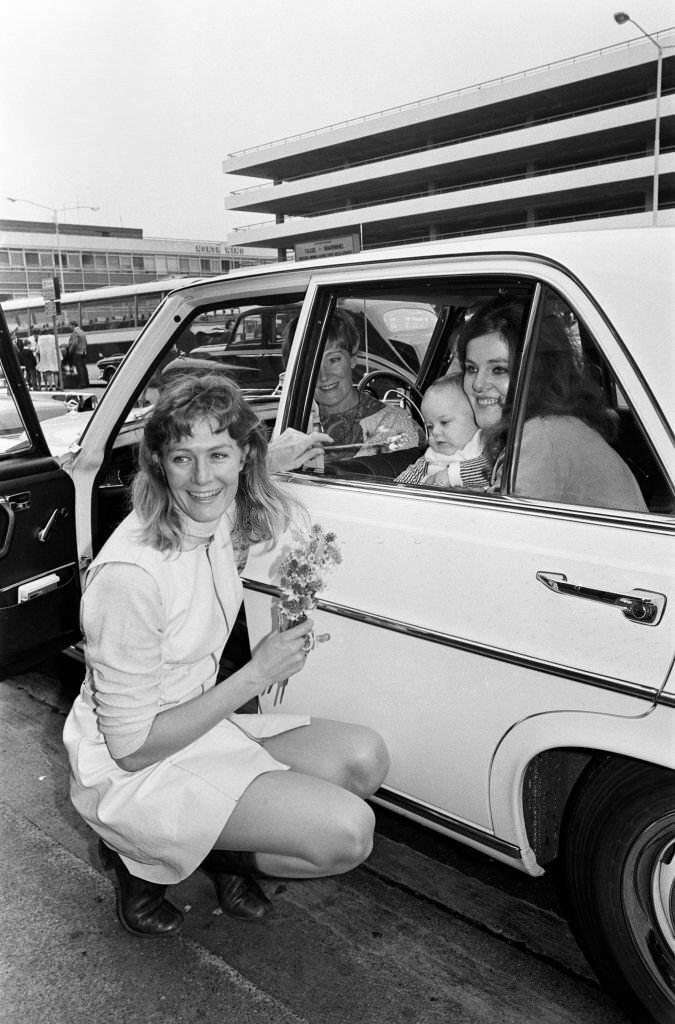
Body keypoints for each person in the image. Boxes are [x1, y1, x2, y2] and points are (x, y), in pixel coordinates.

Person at [62, 371, 389, 938]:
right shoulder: (130, 577)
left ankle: (206, 841)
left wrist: (287, 450)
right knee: (348, 834)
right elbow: (132, 750)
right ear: (158, 463)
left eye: (219, 453)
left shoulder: (213, 511)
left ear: (243, 457)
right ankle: (139, 855)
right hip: (133, 764)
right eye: (183, 457)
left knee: (365, 757)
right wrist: (256, 675)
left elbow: (249, 471)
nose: (203, 476)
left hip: (199, 722)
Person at [456, 298, 647, 512]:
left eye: (499, 370)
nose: (478, 384)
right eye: (471, 369)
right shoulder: (553, 426)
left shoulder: (543, 437)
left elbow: (502, 529)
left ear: (539, 373)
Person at [313, 310, 421, 466]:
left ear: (353, 358)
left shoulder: (394, 424)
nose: (323, 375)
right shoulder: (292, 421)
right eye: (313, 364)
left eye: (334, 360)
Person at [394, 374, 489, 489]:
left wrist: (450, 475)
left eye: (444, 422)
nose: (436, 432)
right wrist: (398, 489)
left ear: (475, 418)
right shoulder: (432, 456)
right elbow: (409, 477)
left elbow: (489, 470)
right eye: (430, 426)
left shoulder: (484, 447)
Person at [67, 320, 90, 386]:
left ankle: (82, 383)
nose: (69, 327)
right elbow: (85, 342)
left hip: (77, 352)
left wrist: (70, 351)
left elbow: (74, 343)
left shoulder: (75, 332)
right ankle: (86, 382)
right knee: (84, 368)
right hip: (83, 352)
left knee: (79, 368)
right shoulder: (82, 331)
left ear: (73, 325)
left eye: (70, 325)